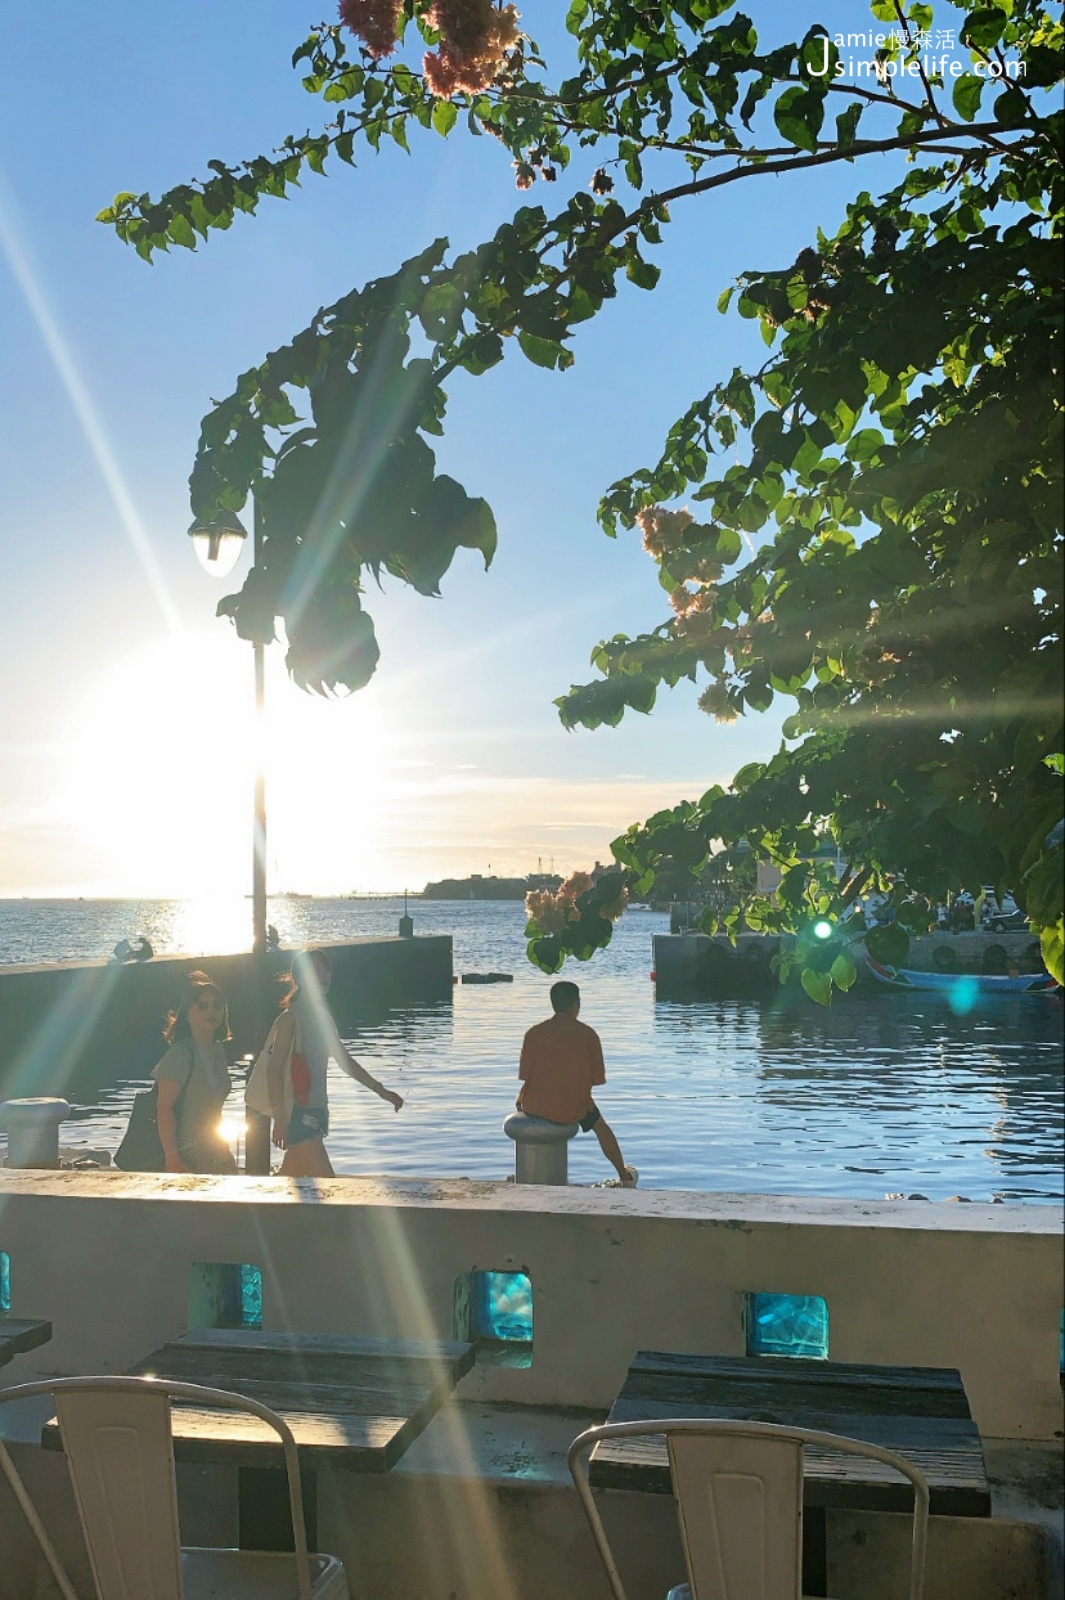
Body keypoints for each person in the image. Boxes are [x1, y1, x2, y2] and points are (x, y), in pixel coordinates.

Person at [265, 949, 404, 1177]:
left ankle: (256, 1211)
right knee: (330, 1190)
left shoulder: (322, 1016)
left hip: (319, 1114)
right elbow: (274, 1072)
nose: (324, 976)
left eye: (326, 970)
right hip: (301, 1116)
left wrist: (381, 1091)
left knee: (290, 1182)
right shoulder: (291, 1019)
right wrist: (279, 1121)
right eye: (315, 971)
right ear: (299, 978)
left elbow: (344, 1061)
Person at [517, 980, 636, 1186]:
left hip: (534, 1106)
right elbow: (596, 1080)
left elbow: (526, 1076)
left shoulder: (533, 1033)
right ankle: (624, 1176)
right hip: (573, 1108)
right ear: (576, 1004)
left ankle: (528, 1173)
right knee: (601, 1127)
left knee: (520, 1099)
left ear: (553, 1003)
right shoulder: (589, 1035)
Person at [152, 970, 236, 1174]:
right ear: (188, 1013)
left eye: (217, 1006)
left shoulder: (218, 1050)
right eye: (203, 1006)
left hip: (218, 1149)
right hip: (187, 1155)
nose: (211, 1012)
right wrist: (172, 1159)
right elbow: (164, 1108)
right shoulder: (181, 1054)